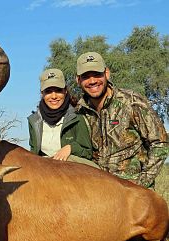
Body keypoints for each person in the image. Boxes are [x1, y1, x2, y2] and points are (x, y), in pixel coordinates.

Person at [75, 51, 169, 188]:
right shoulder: (79, 112)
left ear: (106, 73)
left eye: (97, 74)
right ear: (78, 80)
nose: (92, 81)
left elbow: (161, 143)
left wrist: (141, 183)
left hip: (134, 195)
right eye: (86, 77)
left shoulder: (131, 102)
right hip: (99, 192)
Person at [28, 68, 98, 167]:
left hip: (72, 169)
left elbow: (87, 152)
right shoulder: (34, 121)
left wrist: (71, 148)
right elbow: (34, 151)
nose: (54, 96)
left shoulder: (77, 117)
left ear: (65, 91)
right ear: (42, 93)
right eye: (48, 91)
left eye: (58, 90)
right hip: (45, 170)